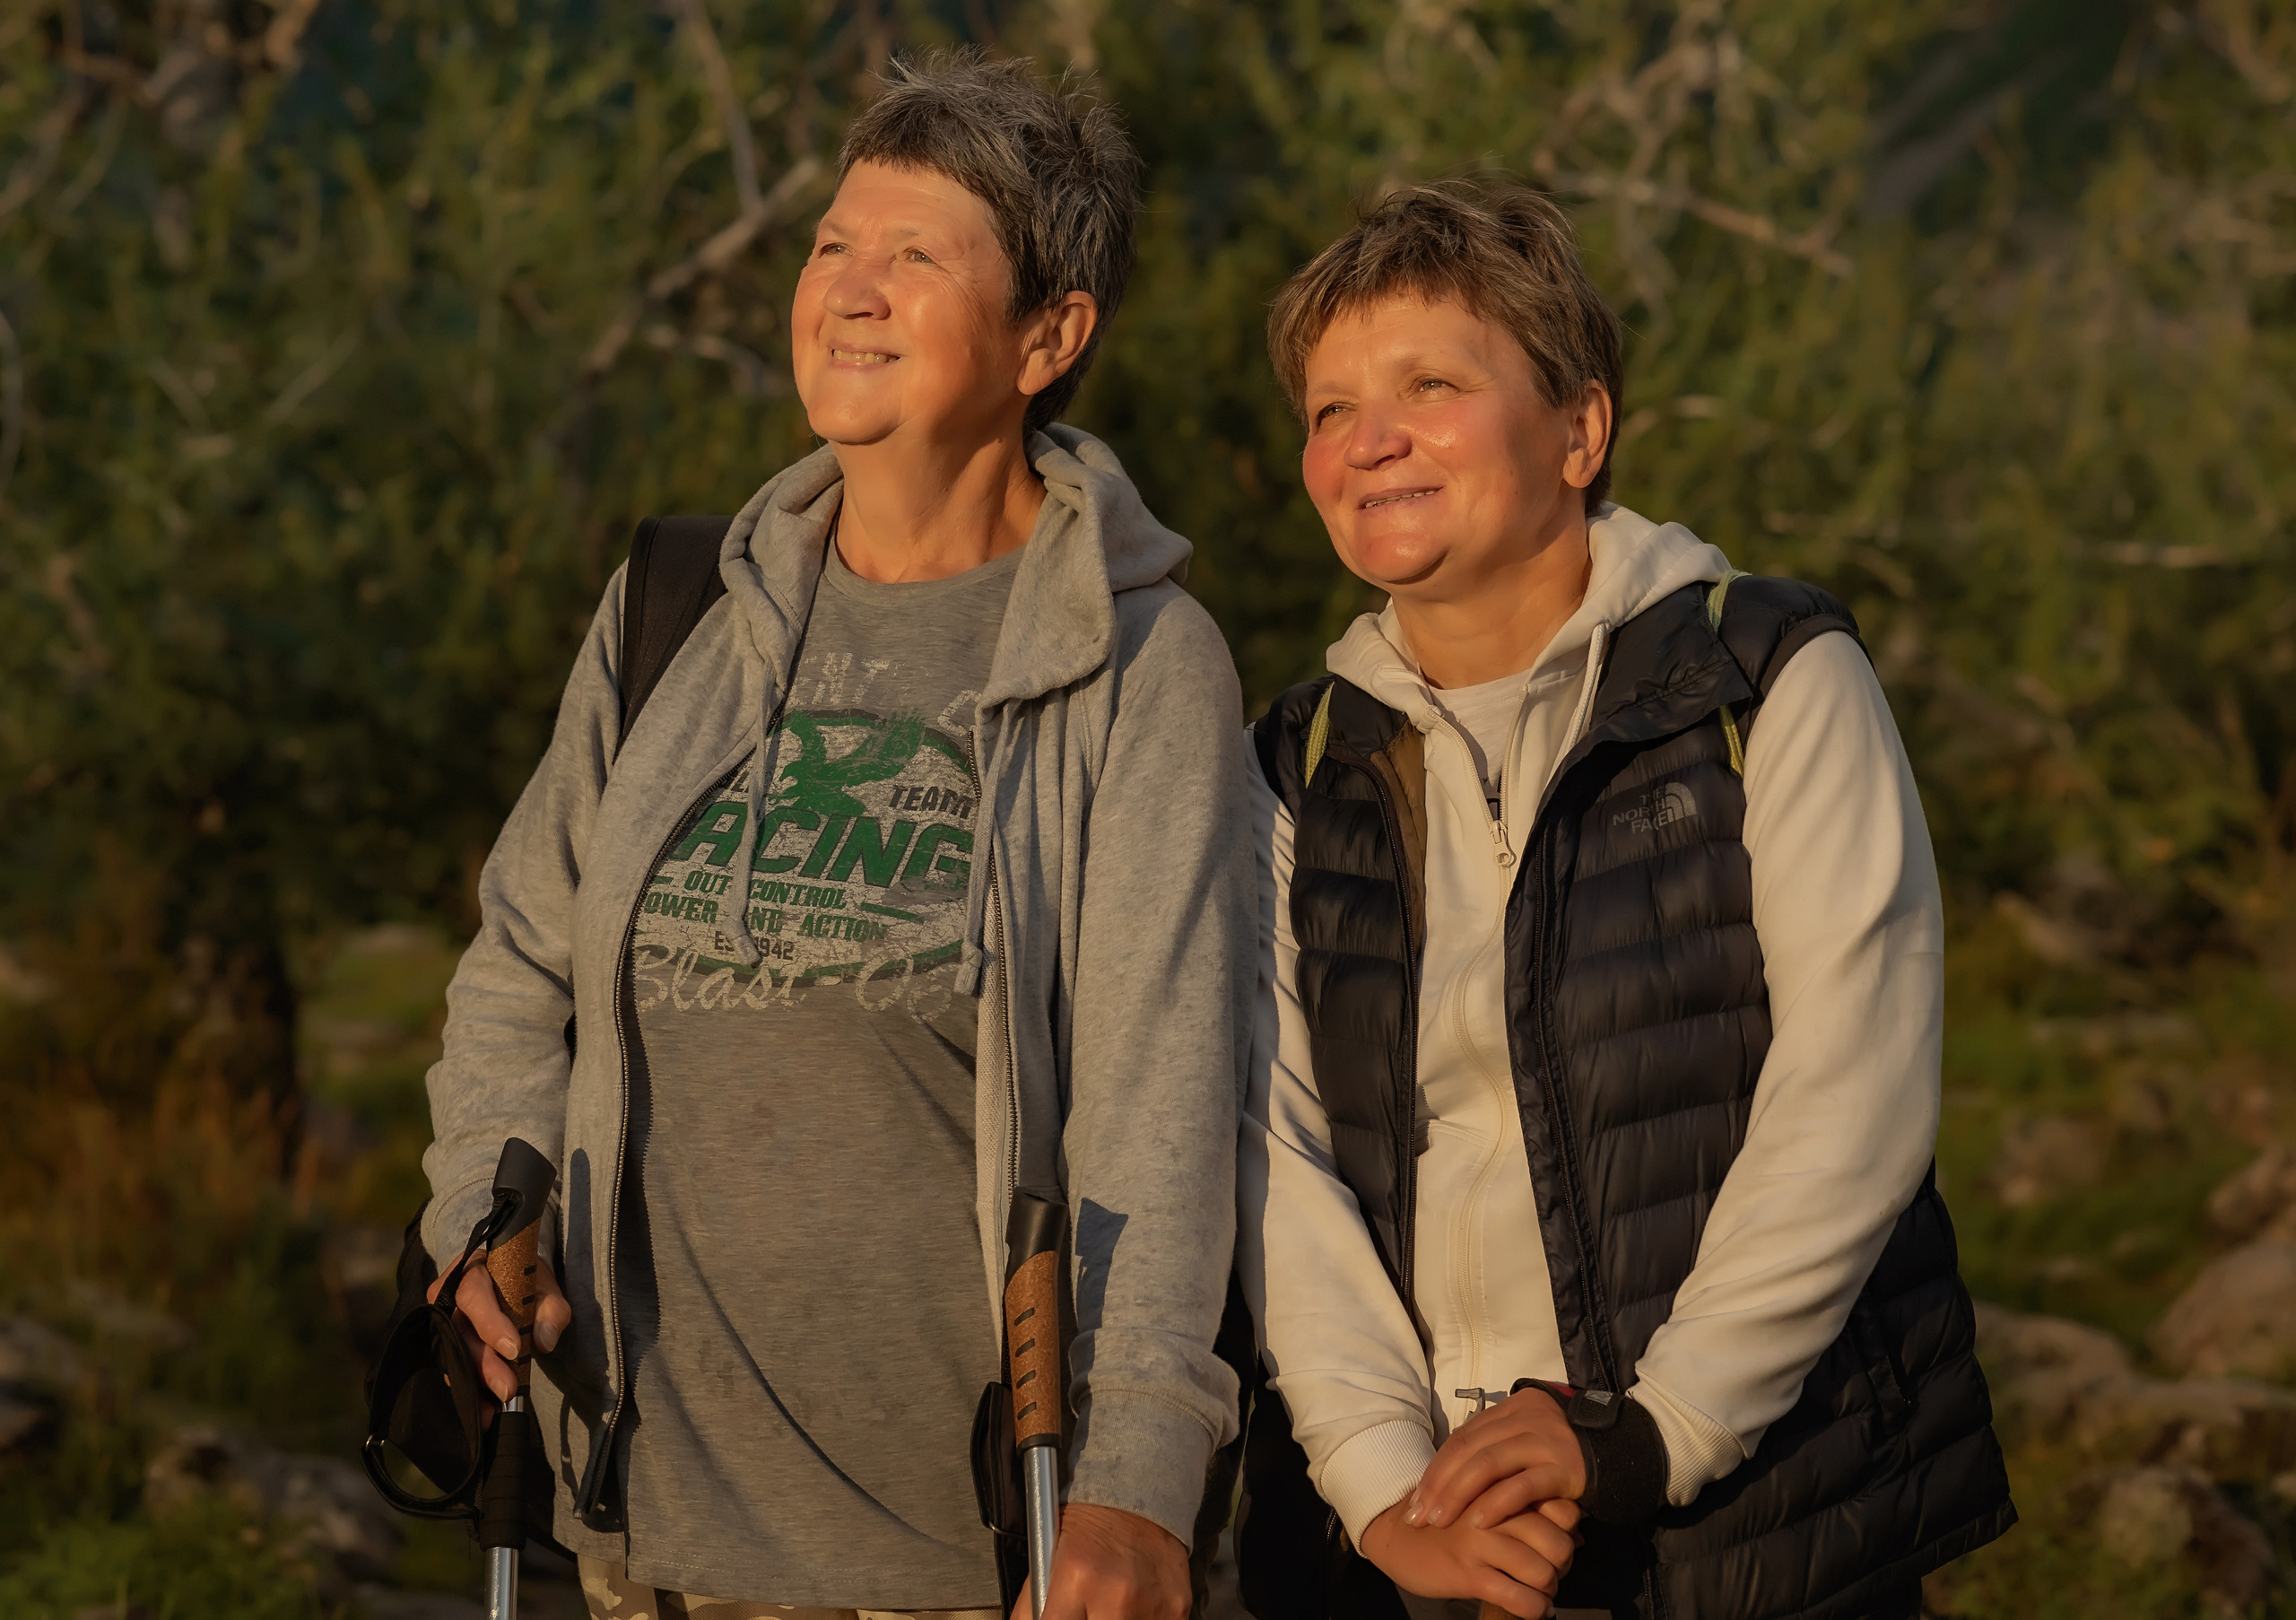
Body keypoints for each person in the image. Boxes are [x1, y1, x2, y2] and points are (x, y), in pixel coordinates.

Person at [421, 53, 1252, 1620]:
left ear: (1050, 336)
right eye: (830, 249)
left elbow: (1163, 1108)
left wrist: (1138, 1478)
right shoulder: (680, 611)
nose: (849, 293)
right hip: (640, 1553)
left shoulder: (1138, 662)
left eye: (915, 257)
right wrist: (480, 1212)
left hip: (964, 1565)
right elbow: (522, 965)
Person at [1236, 182, 2015, 1620]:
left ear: (1580, 432)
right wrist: (1384, 1482)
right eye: (1331, 408)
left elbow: (1857, 1094)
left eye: (1431, 384)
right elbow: (1275, 1160)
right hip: (1418, 1538)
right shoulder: (1295, 764)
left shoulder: (1765, 677)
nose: (1370, 439)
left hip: (1744, 1512)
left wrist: (1653, 1429)